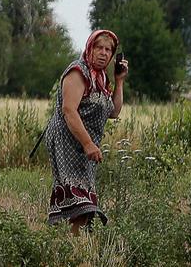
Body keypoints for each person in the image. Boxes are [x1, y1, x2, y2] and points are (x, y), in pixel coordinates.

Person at [45, 29, 128, 235]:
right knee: (77, 198)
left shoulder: (101, 79)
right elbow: (68, 110)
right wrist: (88, 144)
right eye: (99, 47)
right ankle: (69, 247)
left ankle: (69, 245)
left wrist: (119, 81)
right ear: (89, 48)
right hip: (68, 141)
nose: (104, 53)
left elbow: (114, 111)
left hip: (85, 146)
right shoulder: (78, 71)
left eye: (109, 49)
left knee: (83, 201)